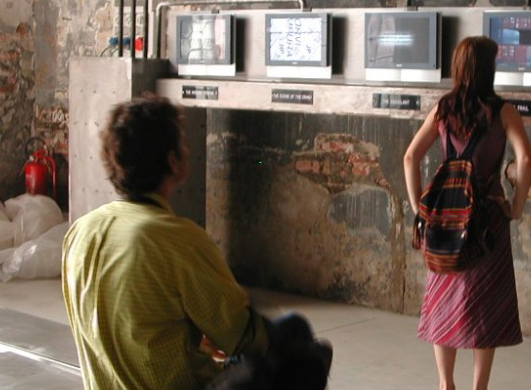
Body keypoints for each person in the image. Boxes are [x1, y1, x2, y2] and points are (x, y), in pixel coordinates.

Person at [62, 94, 330, 390]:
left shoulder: (81, 231)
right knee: (305, 349)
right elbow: (242, 338)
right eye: (183, 143)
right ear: (172, 160)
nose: (188, 150)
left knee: (285, 334)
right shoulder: (175, 238)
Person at [403, 36, 531, 390]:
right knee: (486, 303)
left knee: (442, 297)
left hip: (445, 218)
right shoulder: (502, 111)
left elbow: (410, 157)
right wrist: (517, 206)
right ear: (488, 70)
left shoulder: (442, 110)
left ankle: (446, 384)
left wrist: (420, 209)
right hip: (488, 217)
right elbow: (524, 159)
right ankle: (479, 387)